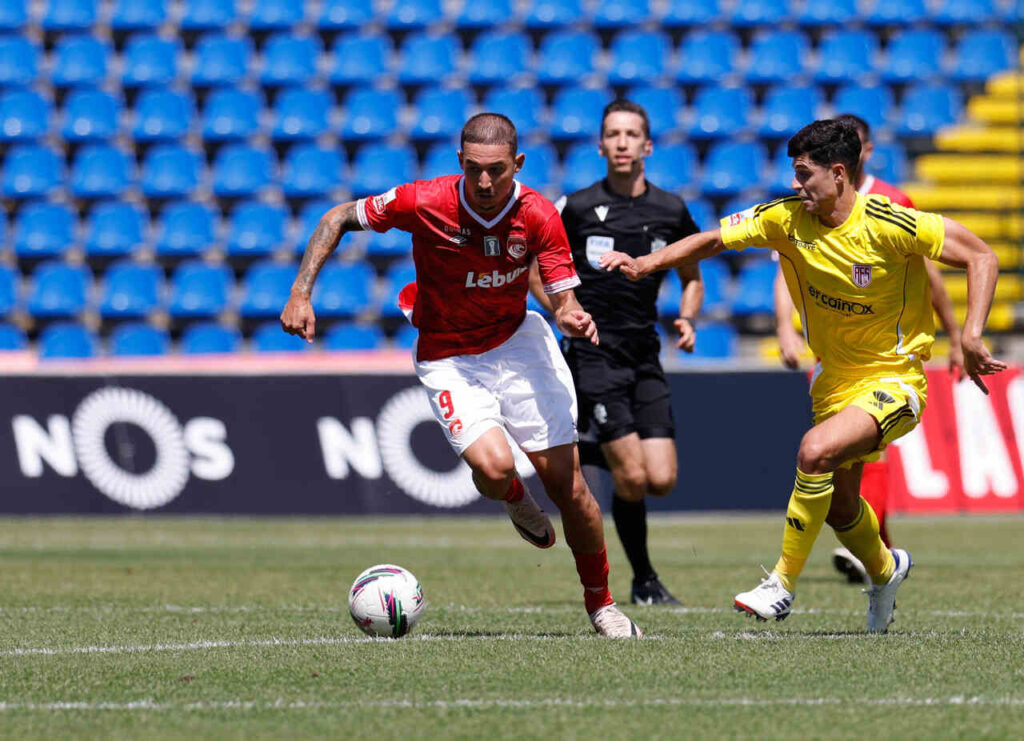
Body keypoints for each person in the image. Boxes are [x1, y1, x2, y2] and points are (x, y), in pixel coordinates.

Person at [600, 118, 1005, 632]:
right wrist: (647, 264)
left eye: (803, 174)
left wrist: (969, 334)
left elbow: (980, 255)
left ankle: (782, 584)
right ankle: (886, 569)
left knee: (814, 451)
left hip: (896, 379)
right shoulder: (786, 219)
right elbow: (713, 240)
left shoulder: (891, 221)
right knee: (840, 508)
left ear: (838, 174)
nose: (795, 184)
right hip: (833, 381)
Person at [281, 113, 642, 638]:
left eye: (497, 170)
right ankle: (516, 499)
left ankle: (602, 605)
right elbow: (337, 217)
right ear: (459, 163)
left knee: (572, 491)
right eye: (474, 170)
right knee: (495, 471)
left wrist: (570, 313)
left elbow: (563, 295)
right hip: (449, 355)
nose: (486, 182)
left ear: (517, 164)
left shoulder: (539, 214)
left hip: (518, 346)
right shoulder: (422, 201)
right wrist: (300, 292)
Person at [773, 113, 964, 585]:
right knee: (843, 465)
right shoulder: (806, 206)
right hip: (832, 356)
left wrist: (957, 333)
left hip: (883, 360)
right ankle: (879, 553)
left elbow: (928, 270)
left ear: (862, 154)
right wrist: (785, 326)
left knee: (852, 448)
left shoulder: (892, 202)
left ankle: (854, 556)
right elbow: (788, 257)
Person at [530, 99, 704, 605]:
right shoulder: (576, 206)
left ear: (647, 146)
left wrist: (687, 318)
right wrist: (564, 310)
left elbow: (693, 277)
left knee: (662, 479)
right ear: (601, 144)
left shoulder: (671, 210)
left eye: (631, 134)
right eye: (613, 134)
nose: (622, 142)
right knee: (631, 474)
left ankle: (567, 451)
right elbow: (533, 269)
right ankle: (644, 581)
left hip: (644, 354)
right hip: (593, 352)